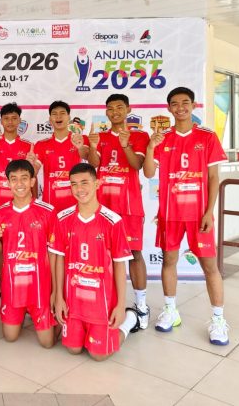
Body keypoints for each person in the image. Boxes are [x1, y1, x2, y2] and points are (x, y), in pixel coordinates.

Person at [143, 86, 230, 345]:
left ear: (193, 106)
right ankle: (171, 310)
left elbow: (213, 178)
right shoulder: (163, 138)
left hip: (199, 215)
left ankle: (218, 320)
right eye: (174, 103)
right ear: (168, 108)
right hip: (170, 214)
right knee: (168, 261)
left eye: (185, 103)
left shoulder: (207, 136)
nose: (180, 107)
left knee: (210, 267)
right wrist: (151, 147)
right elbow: (148, 173)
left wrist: (209, 212)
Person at [53, 163, 140, 361]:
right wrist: (59, 298)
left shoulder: (113, 221)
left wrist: (120, 305)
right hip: (74, 301)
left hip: (102, 303)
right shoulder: (63, 218)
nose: (79, 189)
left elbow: (119, 265)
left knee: (98, 356)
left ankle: (129, 319)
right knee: (73, 349)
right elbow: (59, 260)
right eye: (74, 184)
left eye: (84, 182)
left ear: (97, 184)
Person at [87, 94, 151, 328]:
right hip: (103, 206)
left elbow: (137, 165)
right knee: (103, 255)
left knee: (134, 254)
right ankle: (108, 302)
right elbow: (94, 164)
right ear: (106, 112)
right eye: (111, 108)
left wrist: (125, 145)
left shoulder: (140, 136)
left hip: (129, 206)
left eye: (119, 107)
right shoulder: (101, 137)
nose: (115, 112)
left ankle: (141, 305)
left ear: (128, 109)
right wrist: (92, 146)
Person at [0, 160, 57, 348]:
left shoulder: (48, 212)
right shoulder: (0, 213)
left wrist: (55, 290)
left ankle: (56, 320)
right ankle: (21, 312)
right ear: (8, 183)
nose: (19, 184)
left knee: (47, 343)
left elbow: (54, 254)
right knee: (10, 337)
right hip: (14, 287)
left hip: (40, 287)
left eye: (24, 178)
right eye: (14, 179)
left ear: (33, 181)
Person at [0, 103, 37, 298]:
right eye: (6, 118)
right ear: (1, 121)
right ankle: (2, 285)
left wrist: (34, 202)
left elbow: (33, 176)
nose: (10, 122)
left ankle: (22, 284)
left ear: (20, 121)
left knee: (23, 245)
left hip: (21, 205)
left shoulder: (28, 145)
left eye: (14, 118)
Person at [33, 101, 89, 211]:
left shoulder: (80, 139)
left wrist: (80, 147)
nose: (58, 116)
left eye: (62, 113)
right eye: (54, 114)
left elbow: (87, 157)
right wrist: (30, 165)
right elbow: (34, 171)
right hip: (50, 203)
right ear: (50, 119)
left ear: (69, 117)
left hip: (76, 202)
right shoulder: (41, 144)